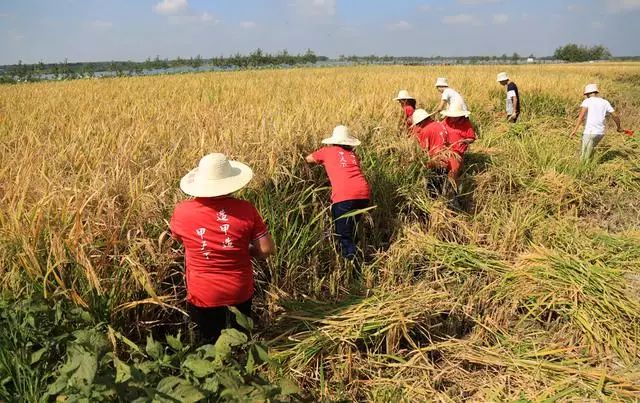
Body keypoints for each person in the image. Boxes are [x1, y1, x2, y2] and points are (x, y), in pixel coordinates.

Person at [170, 153, 275, 344]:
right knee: (241, 339)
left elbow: (179, 238)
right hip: (239, 289)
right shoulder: (246, 209)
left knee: (209, 343)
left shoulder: (182, 211)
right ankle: (243, 370)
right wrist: (244, 250)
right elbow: (266, 249)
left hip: (203, 293)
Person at [305, 125, 370, 261]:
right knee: (352, 228)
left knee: (343, 235)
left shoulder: (327, 151)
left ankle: (353, 268)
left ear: (334, 141)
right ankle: (359, 256)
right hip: (363, 194)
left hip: (344, 196)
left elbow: (308, 159)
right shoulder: (353, 155)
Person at [570, 84, 623, 160]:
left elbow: (581, 117)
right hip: (600, 133)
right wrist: (619, 127)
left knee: (583, 157)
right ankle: (590, 167)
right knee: (589, 153)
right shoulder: (605, 102)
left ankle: (584, 170)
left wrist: (574, 130)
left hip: (589, 133)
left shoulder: (587, 101)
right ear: (596, 92)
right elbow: (615, 116)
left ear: (587, 94)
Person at [411, 108, 457, 196]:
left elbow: (423, 150)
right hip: (448, 159)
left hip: (435, 162)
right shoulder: (439, 124)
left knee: (433, 188)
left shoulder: (425, 131)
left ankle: (438, 203)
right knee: (446, 187)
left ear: (421, 121)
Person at [441, 105, 476, 184]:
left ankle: (452, 189)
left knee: (453, 171)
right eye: (452, 116)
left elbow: (472, 138)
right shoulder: (446, 120)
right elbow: (439, 129)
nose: (453, 118)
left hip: (457, 152)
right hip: (445, 150)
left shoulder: (466, 123)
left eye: (455, 116)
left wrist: (464, 141)